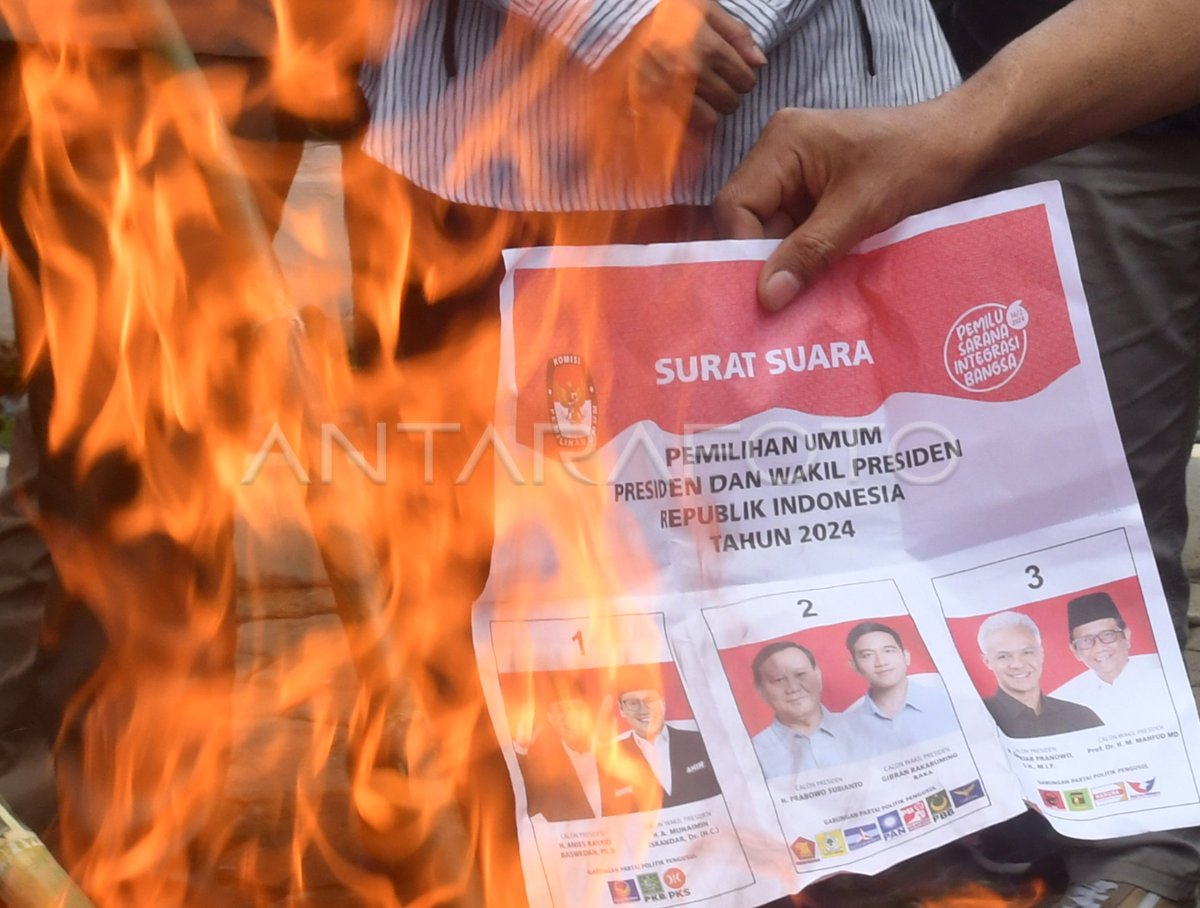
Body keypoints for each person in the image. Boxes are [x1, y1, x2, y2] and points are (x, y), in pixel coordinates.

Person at [599, 673, 720, 815]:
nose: (643, 709)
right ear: (621, 709)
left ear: (663, 702)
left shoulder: (699, 742)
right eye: (633, 703)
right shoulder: (609, 757)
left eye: (650, 700)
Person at [748, 640, 866, 778]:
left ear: (818, 676)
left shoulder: (866, 729)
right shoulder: (751, 756)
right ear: (761, 690)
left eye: (800, 675)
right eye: (779, 680)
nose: (793, 688)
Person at [977, 611, 1101, 739]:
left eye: (1027, 652)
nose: (1017, 664)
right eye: (1004, 656)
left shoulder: (1082, 718)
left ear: (1041, 653)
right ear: (987, 662)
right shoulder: (974, 720)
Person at [1050, 592, 1165, 729]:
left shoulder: (1163, 672)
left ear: (1126, 636)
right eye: (1086, 640)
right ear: (1075, 651)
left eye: (1107, 635)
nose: (1099, 648)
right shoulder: (1064, 699)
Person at [843, 621, 959, 750]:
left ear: (906, 656)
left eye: (888, 651)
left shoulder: (949, 702)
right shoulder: (847, 728)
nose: (881, 662)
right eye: (867, 655)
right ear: (854, 666)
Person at [516, 675, 604, 822]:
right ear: (550, 718)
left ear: (590, 712)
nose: (569, 716)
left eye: (576, 707)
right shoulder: (539, 772)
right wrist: (520, 748)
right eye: (560, 708)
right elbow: (513, 802)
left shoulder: (625, 756)